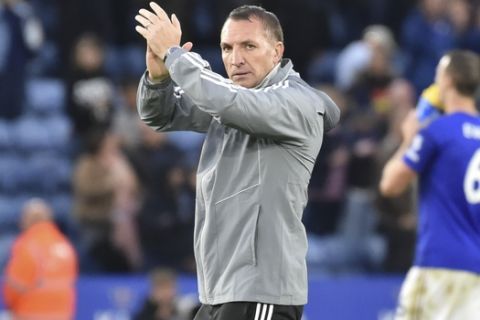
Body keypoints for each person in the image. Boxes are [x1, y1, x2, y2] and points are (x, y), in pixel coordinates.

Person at [134, 3, 340, 320]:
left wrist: (175, 55)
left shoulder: (298, 101)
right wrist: (159, 75)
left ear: (277, 51)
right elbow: (161, 115)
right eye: (227, 48)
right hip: (221, 289)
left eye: (249, 46)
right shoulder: (234, 97)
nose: (235, 58)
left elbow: (229, 103)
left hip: (261, 292)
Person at [379, 50, 480, 319]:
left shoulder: (437, 131)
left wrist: (408, 139)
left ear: (447, 81)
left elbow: (390, 185)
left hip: (439, 264)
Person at [2, 198, 78, 319]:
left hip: (31, 315)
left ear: (27, 220)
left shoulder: (28, 245)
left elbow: (13, 288)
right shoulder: (65, 245)